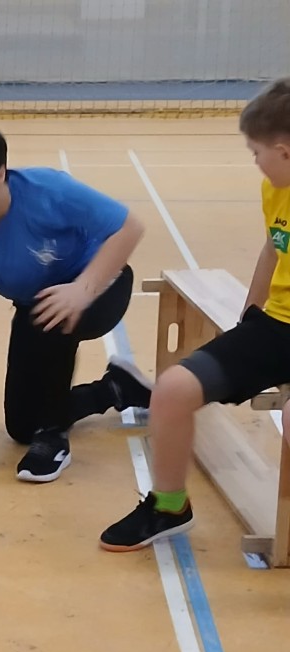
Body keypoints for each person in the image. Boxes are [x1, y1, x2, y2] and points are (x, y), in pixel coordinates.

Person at [101, 78, 290, 552]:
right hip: (276, 328)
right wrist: (250, 315)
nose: (255, 161)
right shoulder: (276, 189)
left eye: (256, 152)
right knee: (172, 390)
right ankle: (169, 506)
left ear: (284, 152)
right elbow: (273, 247)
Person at [0, 122, 152, 483]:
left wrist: (82, 289)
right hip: (37, 309)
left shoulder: (49, 190)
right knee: (21, 426)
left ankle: (53, 438)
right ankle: (115, 389)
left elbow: (130, 227)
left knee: (52, 315)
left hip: (102, 284)